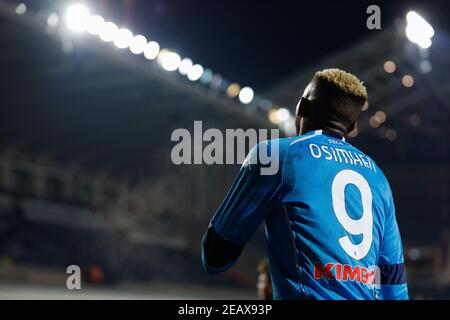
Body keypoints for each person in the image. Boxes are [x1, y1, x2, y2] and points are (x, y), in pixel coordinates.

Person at [201, 68, 408, 300]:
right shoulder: (378, 177)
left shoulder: (275, 155)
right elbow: (394, 285)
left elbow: (215, 257)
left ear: (302, 108)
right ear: (350, 128)